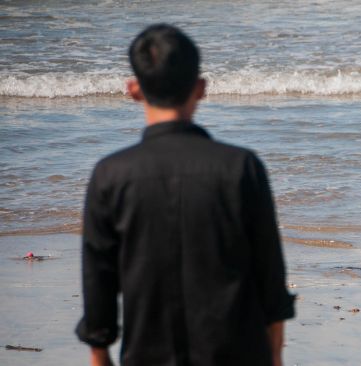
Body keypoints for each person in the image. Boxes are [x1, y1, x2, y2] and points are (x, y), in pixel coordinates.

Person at [76, 24, 295, 366]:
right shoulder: (240, 167)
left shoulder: (110, 175)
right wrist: (275, 354)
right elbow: (269, 275)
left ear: (134, 90)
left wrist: (99, 350)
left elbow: (98, 276)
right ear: (201, 88)